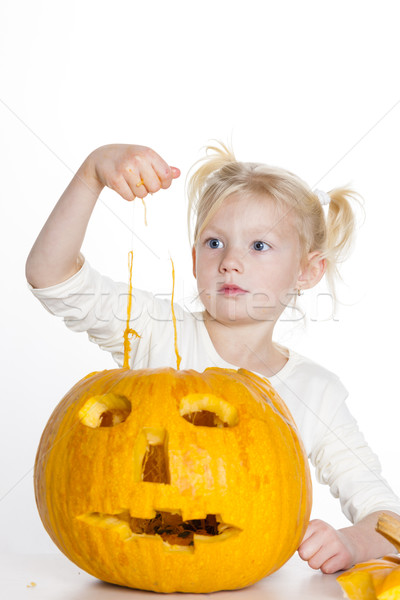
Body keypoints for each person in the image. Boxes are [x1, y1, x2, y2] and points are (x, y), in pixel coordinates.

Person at [26, 142, 400, 574]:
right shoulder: (155, 328)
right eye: (215, 242)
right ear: (194, 260)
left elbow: (388, 517)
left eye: (259, 245)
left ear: (307, 271)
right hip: (127, 569)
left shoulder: (315, 391)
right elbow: (50, 275)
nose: (230, 262)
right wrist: (91, 174)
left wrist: (352, 542)